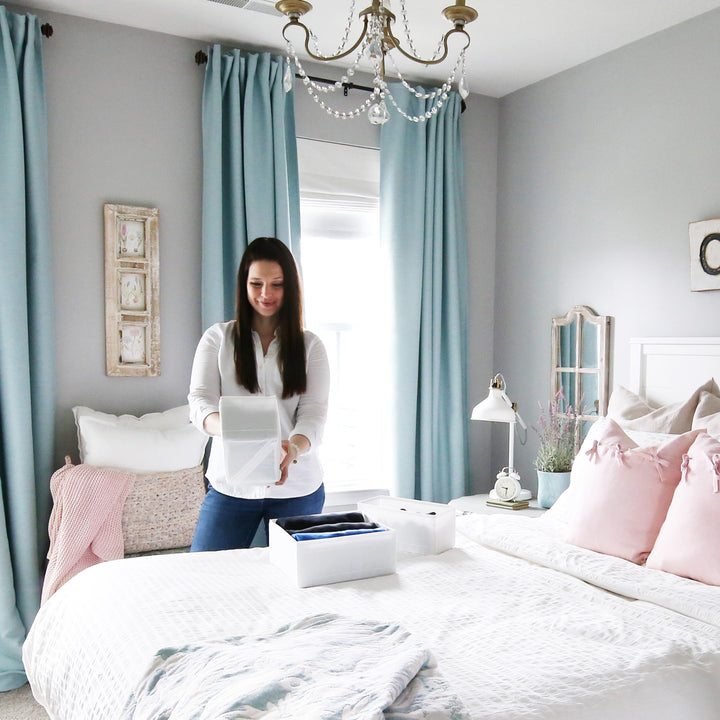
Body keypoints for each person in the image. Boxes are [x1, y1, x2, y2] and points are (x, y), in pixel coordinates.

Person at [188, 237, 330, 551]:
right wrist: (233, 428)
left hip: (297, 487)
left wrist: (292, 448)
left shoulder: (310, 346)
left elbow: (313, 414)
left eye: (277, 284)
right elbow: (199, 403)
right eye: (257, 283)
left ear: (290, 287)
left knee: (295, 586)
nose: (266, 294)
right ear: (244, 284)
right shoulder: (218, 338)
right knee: (203, 572)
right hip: (232, 487)